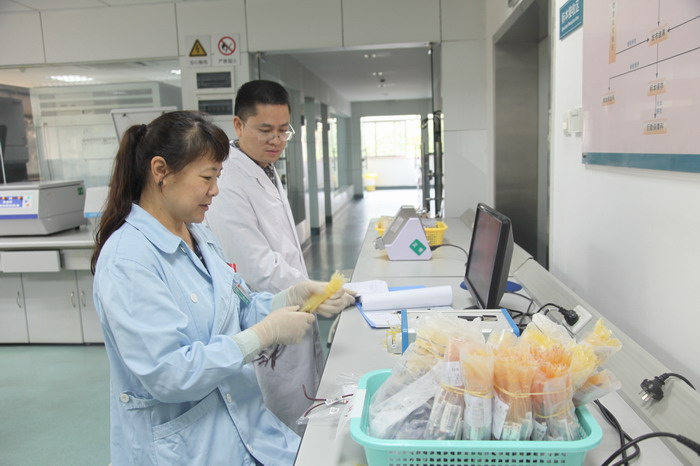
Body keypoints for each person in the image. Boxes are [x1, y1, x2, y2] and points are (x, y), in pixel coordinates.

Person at [91, 111, 352, 465]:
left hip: (244, 426)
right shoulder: (129, 260)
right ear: (160, 171)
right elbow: (169, 373)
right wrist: (261, 336)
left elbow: (240, 305)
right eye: (207, 177)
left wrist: (289, 299)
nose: (215, 190)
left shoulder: (199, 235)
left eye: (218, 177)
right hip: (184, 447)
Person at [206, 80, 354, 431]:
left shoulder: (265, 167)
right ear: (238, 125)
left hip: (290, 306)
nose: (276, 140)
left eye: (283, 130)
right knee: (278, 418)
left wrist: (310, 290)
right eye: (265, 130)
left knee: (303, 407)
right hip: (266, 316)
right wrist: (311, 291)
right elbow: (255, 267)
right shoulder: (228, 182)